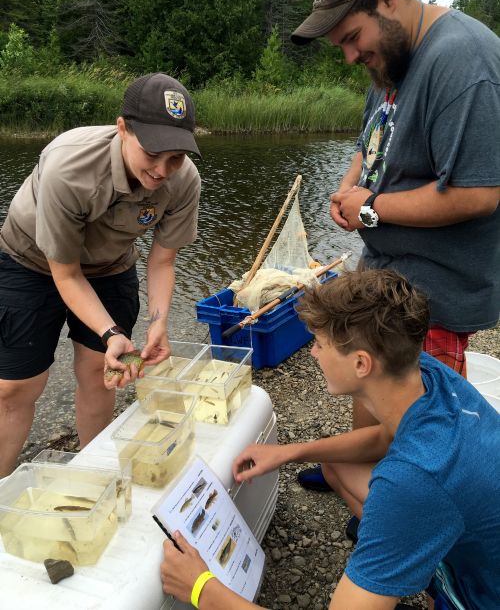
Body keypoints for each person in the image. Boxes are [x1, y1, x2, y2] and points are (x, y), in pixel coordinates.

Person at [289, 0, 500, 494]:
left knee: (419, 440)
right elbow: (372, 140)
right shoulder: (393, 58)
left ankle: (396, 523)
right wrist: (345, 191)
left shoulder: (462, 61)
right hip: (388, 273)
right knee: (368, 388)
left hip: (434, 293)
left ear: (385, 0)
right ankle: (360, 476)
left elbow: (478, 194)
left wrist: (370, 208)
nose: (350, 57)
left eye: (351, 39)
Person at [160, 269, 500, 609]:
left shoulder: (413, 479)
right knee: (336, 464)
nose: (313, 354)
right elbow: (385, 437)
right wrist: (291, 452)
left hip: (482, 595)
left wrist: (200, 588)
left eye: (320, 344)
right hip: (468, 536)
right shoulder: (424, 371)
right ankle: (401, 563)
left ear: (361, 364)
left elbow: (413, 480)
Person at [0, 72, 201, 478]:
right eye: (153, 153)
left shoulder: (184, 180)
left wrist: (158, 324)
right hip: (31, 261)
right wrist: (112, 333)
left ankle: (95, 478)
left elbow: (161, 261)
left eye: (176, 156)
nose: (164, 170)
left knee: (100, 372)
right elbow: (67, 273)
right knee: (15, 388)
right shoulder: (69, 167)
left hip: (111, 266)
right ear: (122, 128)